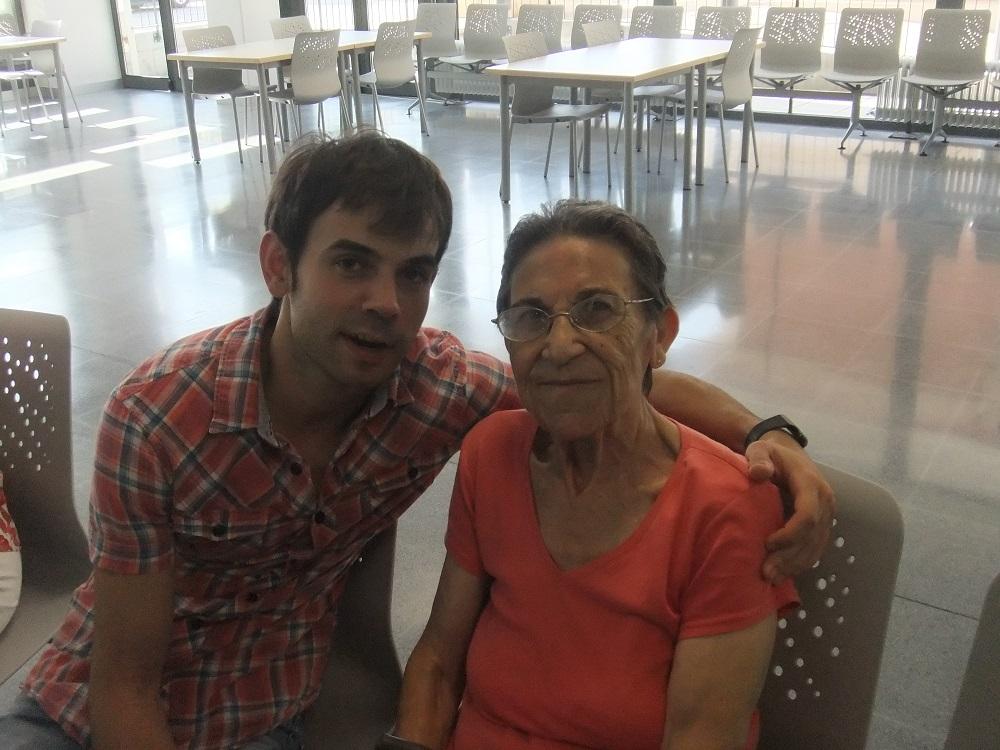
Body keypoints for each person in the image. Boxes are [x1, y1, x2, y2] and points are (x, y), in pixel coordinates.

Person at [2, 133, 829, 749]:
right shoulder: (157, 419)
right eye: (351, 264)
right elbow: (124, 685)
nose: (386, 304)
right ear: (279, 265)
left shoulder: (438, 388)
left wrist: (766, 432)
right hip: (86, 714)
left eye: (414, 273)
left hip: (262, 711)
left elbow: (596, 379)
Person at [390, 200, 801, 750]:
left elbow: (699, 736)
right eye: (531, 317)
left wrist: (768, 431)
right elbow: (439, 663)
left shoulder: (726, 508)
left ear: (660, 336)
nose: (560, 347)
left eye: (598, 310)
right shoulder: (493, 454)